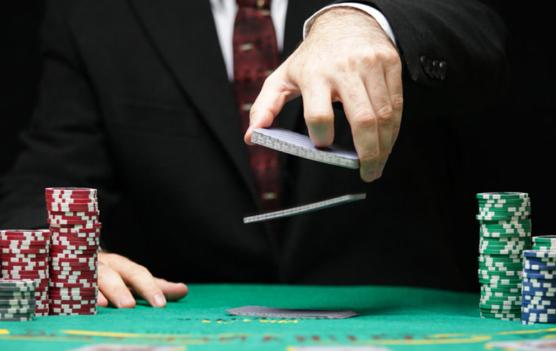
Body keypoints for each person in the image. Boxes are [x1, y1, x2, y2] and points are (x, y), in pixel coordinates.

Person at [0, 0, 507, 308]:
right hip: (186, 342)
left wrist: (366, 21)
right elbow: (47, 174)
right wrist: (62, 257)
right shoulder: (96, 12)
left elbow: (484, 35)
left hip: (408, 327)